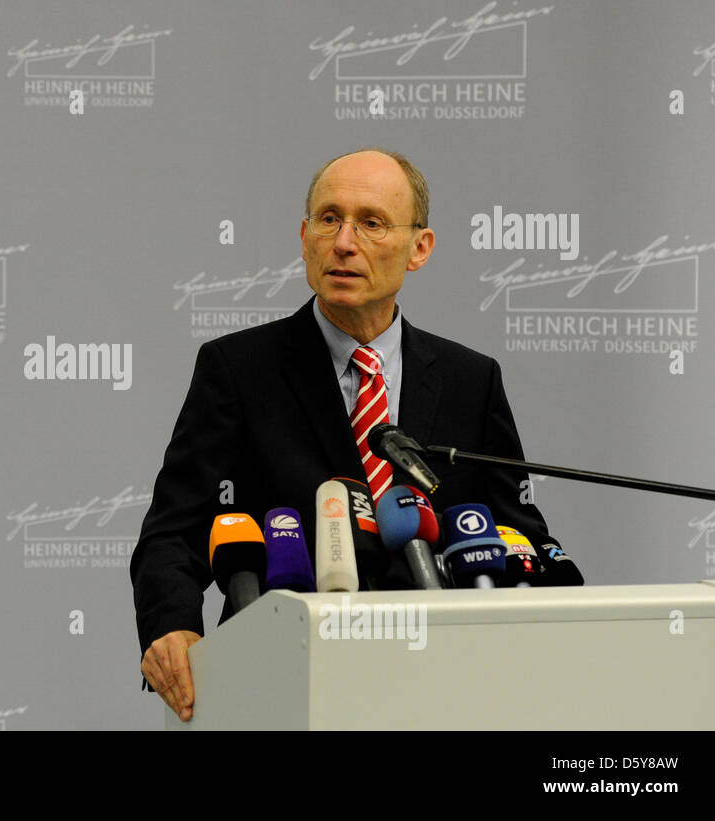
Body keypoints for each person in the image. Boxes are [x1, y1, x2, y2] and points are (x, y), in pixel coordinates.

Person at [131, 148, 564, 722]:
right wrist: (172, 626)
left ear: (420, 248)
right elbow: (173, 532)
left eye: (373, 223)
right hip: (284, 678)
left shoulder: (470, 380)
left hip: (442, 683)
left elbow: (520, 533)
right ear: (305, 234)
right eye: (329, 218)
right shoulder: (238, 369)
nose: (344, 241)